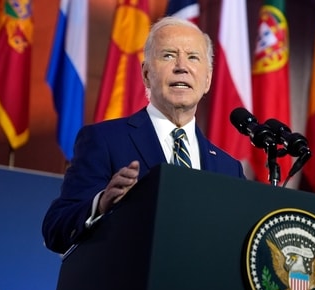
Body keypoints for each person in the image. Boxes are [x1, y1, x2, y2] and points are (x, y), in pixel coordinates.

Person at [42, 16, 246, 254]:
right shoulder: (104, 140)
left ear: (208, 79)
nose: (182, 66)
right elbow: (55, 229)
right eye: (169, 55)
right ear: (147, 74)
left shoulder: (228, 169)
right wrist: (101, 204)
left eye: (193, 57)